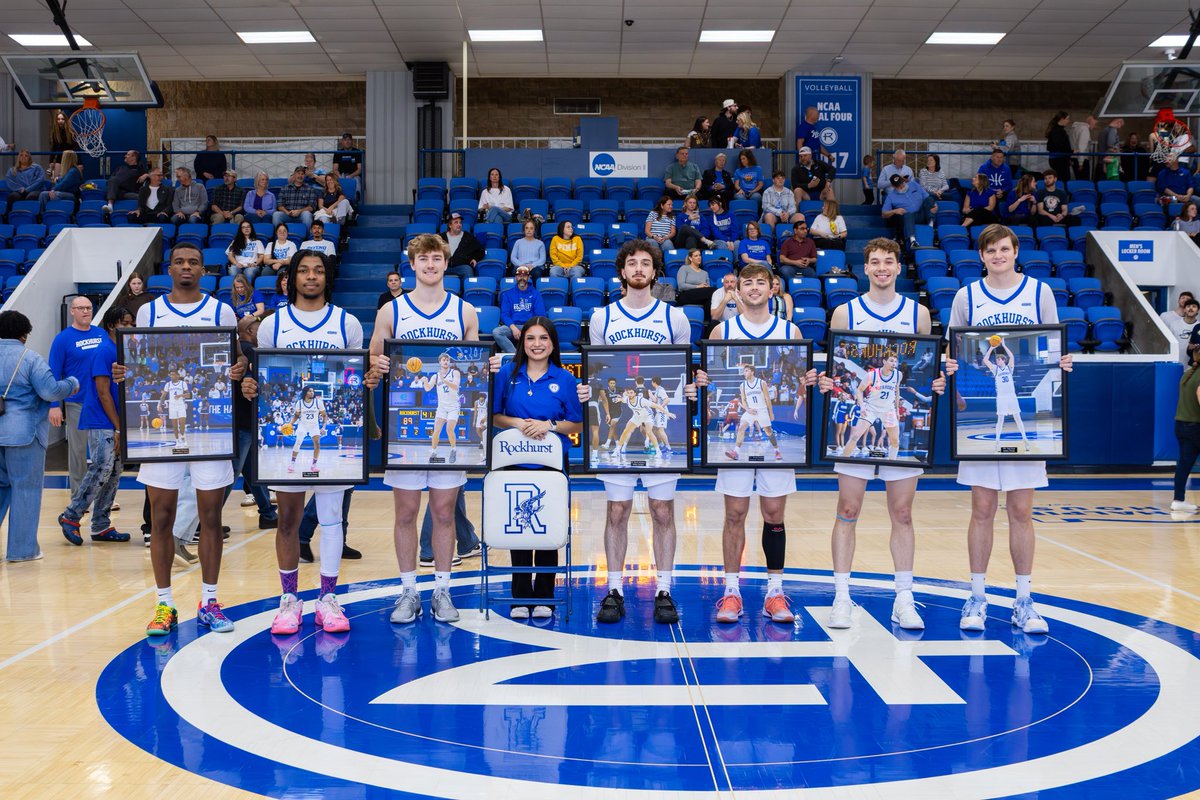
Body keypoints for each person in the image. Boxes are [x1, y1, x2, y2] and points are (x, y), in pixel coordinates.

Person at [945, 223, 1073, 635]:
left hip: (1029, 410)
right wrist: (951, 368)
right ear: (981, 256)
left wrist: (1062, 363)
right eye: (990, 250)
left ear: (1016, 251)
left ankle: (1024, 600)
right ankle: (977, 596)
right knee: (981, 509)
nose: (997, 256)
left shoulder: (1040, 293)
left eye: (1004, 249)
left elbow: (1053, 346)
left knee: (1020, 510)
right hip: (975, 421)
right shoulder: (967, 296)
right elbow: (956, 350)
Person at [817, 237, 948, 630]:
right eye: (874, 261)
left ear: (898, 266)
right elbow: (834, 365)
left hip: (890, 410)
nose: (881, 268)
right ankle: (842, 596)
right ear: (865, 267)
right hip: (867, 405)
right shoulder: (845, 313)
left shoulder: (918, 314)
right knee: (848, 509)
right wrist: (829, 385)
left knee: (903, 512)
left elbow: (927, 369)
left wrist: (936, 383)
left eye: (888, 261)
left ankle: (903, 598)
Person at [244, 249, 376, 635]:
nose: (311, 277)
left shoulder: (346, 323)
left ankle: (327, 599)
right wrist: (252, 387)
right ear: (291, 278)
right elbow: (262, 378)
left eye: (318, 270)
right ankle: (289, 600)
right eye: (303, 270)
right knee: (287, 519)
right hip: (284, 436)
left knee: (333, 518)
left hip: (331, 427)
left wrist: (365, 381)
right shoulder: (273, 324)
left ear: (326, 277)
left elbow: (353, 376)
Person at [125, 242, 244, 636]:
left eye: (194, 262)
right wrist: (126, 372)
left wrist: (239, 368)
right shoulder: (150, 311)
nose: (187, 267)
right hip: (163, 437)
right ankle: (164, 605)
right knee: (160, 518)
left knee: (210, 517)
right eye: (180, 262)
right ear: (169, 269)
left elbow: (237, 357)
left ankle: (210, 601)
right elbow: (139, 362)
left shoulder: (220, 310)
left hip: (209, 429)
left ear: (204, 271)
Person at [370, 234, 481, 625]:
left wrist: (485, 369)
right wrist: (377, 367)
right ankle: (407, 592)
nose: (430, 265)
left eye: (437, 258)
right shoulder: (391, 311)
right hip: (405, 428)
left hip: (447, 414)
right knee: (405, 512)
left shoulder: (465, 312)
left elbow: (473, 369)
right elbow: (372, 362)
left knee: (444, 512)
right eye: (423, 259)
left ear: (446, 263)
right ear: (411, 265)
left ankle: (442, 590)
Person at [585, 240, 695, 625]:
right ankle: (613, 589)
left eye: (645, 263)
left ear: (655, 271)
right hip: (626, 403)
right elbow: (599, 369)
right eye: (631, 263)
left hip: (655, 408)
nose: (638, 268)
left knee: (663, 510)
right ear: (622, 271)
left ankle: (664, 590)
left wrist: (690, 389)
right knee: (617, 510)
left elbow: (682, 373)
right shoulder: (603, 318)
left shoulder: (674, 318)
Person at [708, 265, 816, 624]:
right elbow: (712, 372)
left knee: (774, 513)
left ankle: (774, 591)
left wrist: (808, 380)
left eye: (761, 283)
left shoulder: (790, 330)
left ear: (773, 289)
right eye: (747, 283)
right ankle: (731, 592)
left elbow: (800, 376)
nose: (754, 288)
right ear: (737, 290)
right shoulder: (724, 330)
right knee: (735, 513)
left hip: (763, 415)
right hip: (746, 414)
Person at [492, 317, 583, 618]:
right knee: (520, 527)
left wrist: (550, 425)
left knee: (548, 528)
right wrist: (518, 423)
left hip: (553, 463)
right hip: (514, 459)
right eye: (530, 338)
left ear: (553, 343)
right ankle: (520, 596)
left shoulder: (565, 379)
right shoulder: (508, 374)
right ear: (522, 342)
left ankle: (544, 594)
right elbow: (495, 416)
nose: (537, 344)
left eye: (543, 338)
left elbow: (577, 423)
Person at [0, 311, 80, 562]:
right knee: (26, 489)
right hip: (23, 434)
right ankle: (22, 550)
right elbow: (50, 391)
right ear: (24, 334)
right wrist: (72, 382)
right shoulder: (29, 358)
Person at [57, 305, 134, 547]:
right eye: (125, 323)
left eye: (131, 323)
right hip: (102, 418)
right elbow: (103, 392)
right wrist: (119, 427)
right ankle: (71, 516)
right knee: (101, 468)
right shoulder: (104, 350)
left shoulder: (122, 349)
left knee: (113, 473)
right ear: (112, 325)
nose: (129, 327)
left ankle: (101, 525)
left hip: (115, 420)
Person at [48, 296, 103, 496]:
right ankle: (79, 496)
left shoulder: (101, 334)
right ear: (72, 311)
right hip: (76, 403)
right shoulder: (62, 339)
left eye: (89, 308)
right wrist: (54, 404)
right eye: (81, 308)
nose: (86, 311)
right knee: (78, 453)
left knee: (102, 454)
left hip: (100, 404)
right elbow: (53, 373)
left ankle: (101, 497)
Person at [232, 316, 277, 530]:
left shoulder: (242, 351)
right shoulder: (249, 351)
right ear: (250, 329)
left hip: (243, 420)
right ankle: (201, 523)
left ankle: (268, 513)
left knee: (252, 470)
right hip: (244, 420)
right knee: (231, 475)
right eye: (260, 327)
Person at [982, 339, 1030, 451]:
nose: (997, 361)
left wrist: (1004, 345)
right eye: (997, 359)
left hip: (1011, 396)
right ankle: (997, 441)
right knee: (1000, 419)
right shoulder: (995, 370)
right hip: (1002, 397)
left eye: (999, 359)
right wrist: (992, 348)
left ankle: (1025, 439)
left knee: (1017, 417)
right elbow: (985, 360)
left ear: (1004, 360)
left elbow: (1012, 357)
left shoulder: (1009, 368)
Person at [1171, 348, 1200, 512]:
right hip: (1195, 426)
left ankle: (1178, 500)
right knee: (1185, 463)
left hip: (1181, 424)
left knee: (1184, 464)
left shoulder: (1188, 374)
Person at [494, 264, 546, 353]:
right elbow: (504, 314)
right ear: (516, 277)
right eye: (519, 276)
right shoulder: (508, 294)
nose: (522, 278)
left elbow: (540, 314)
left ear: (529, 277)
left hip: (530, 325)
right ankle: (515, 356)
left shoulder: (535, 294)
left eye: (525, 276)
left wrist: (529, 328)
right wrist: (513, 328)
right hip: (513, 325)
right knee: (497, 332)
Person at [881, 173, 933, 249]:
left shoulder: (913, 184)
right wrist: (895, 211)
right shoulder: (891, 196)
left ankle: (931, 227)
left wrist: (933, 204)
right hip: (908, 218)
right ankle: (913, 240)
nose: (902, 186)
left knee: (929, 200)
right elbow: (883, 214)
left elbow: (926, 197)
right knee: (908, 214)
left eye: (902, 182)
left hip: (921, 215)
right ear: (893, 186)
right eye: (899, 185)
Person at [37, 149, 82, 214]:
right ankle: (42, 215)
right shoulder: (67, 171)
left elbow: (63, 184)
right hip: (64, 193)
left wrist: (53, 190)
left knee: (56, 194)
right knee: (43, 194)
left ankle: (57, 215)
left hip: (72, 195)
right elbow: (59, 181)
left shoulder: (73, 171)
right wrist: (58, 180)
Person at [441, 211, 485, 278]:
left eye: (460, 222)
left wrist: (475, 259)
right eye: (456, 222)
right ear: (450, 225)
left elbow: (481, 250)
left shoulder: (467, 236)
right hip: (444, 266)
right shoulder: (441, 237)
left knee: (468, 270)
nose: (459, 224)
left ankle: (469, 288)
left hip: (461, 266)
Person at [1164, 296, 1199, 364]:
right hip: (1175, 363)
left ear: (1197, 310)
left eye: (1194, 306)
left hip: (1193, 366)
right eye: (1188, 306)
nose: (1191, 308)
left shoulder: (1199, 327)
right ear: (1184, 309)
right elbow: (1166, 345)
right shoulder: (1173, 324)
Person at [1069, 114, 1098, 180]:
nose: (1095, 126)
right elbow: (1081, 147)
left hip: (1074, 158)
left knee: (1078, 180)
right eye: (1095, 123)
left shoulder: (1074, 128)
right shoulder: (1084, 129)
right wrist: (1081, 163)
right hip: (1081, 159)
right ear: (1090, 120)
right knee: (1084, 182)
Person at [1045, 111, 1072, 181]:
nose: (1068, 121)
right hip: (1059, 159)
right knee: (1063, 179)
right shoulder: (1057, 130)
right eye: (1067, 119)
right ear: (1062, 119)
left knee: (1063, 178)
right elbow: (1058, 145)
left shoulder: (1058, 130)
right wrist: (1071, 151)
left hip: (1060, 158)